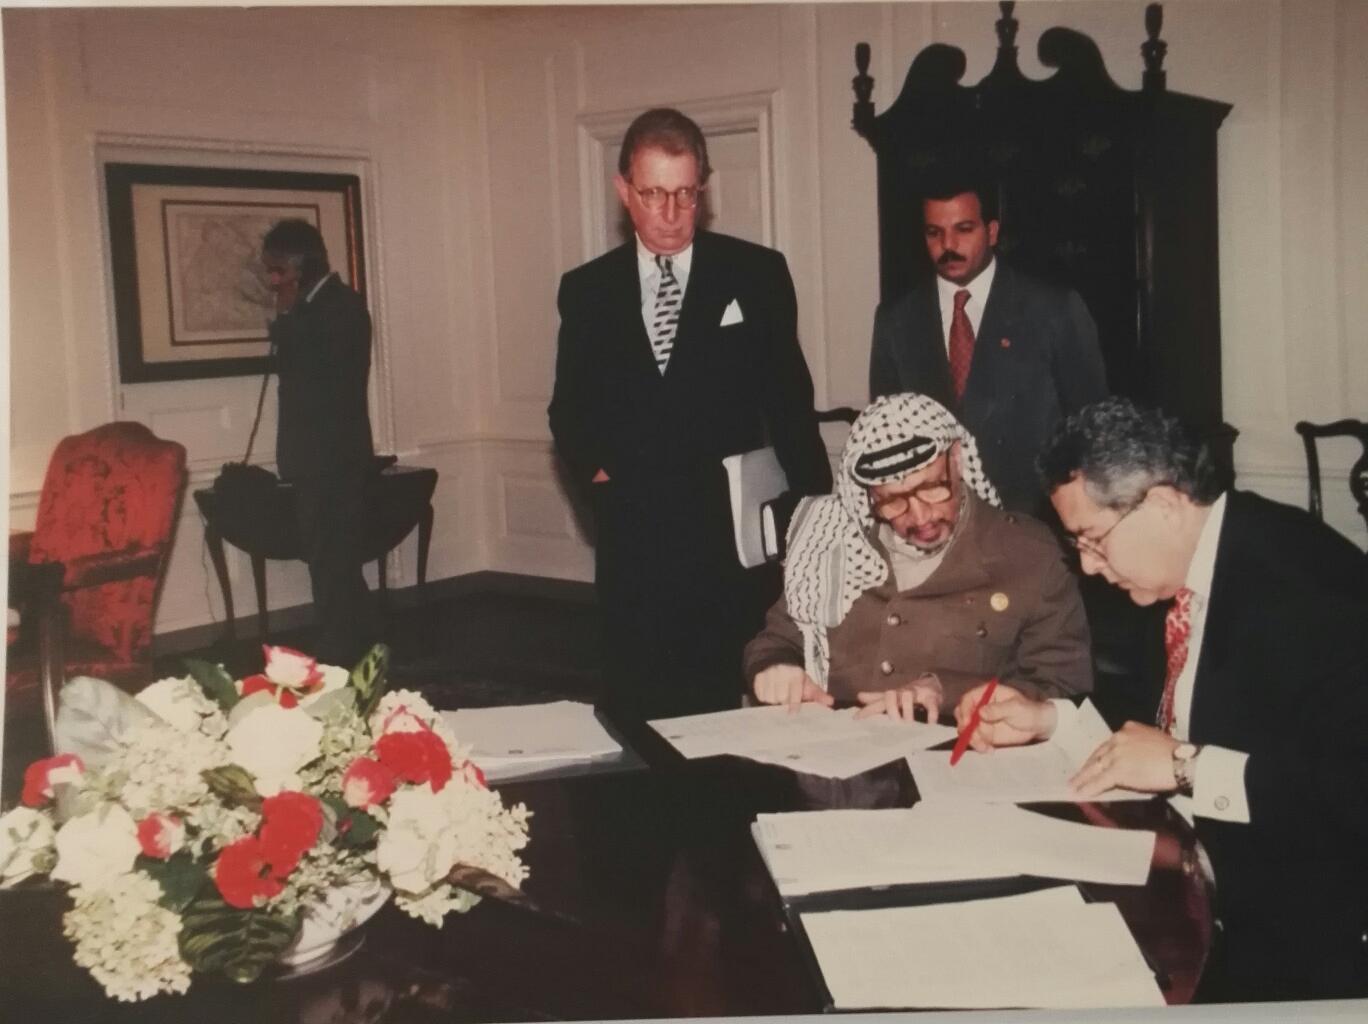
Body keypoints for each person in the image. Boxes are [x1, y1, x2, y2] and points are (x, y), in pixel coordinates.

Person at [954, 397, 1368, 1002]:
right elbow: (1159, 724)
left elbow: (1350, 788)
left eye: (1093, 540)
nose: (1089, 567)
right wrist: (1048, 721)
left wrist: (1187, 766)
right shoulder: (1185, 570)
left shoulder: (1307, 590)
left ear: (1165, 506)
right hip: (1201, 885)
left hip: (1306, 943)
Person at [548, 108, 832, 721]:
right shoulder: (588, 290)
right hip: (634, 543)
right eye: (654, 194)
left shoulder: (755, 274)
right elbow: (568, 410)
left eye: (685, 193)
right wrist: (602, 480)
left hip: (730, 549)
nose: (671, 213)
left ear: (703, 188)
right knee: (639, 712)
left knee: (734, 717)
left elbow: (790, 405)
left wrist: (815, 521)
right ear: (624, 190)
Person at [744, 393, 1092, 721]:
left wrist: (946, 690)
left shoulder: (1031, 555)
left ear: (956, 460)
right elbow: (776, 641)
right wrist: (775, 667)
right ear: (868, 496)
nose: (920, 516)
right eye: (892, 501)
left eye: (931, 488)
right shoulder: (830, 541)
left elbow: (1062, 688)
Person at [868, 180, 1107, 515]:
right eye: (934, 233)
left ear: (992, 232)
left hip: (1033, 523)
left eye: (963, 229)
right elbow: (887, 436)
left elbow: (1092, 429)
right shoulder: (896, 319)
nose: (948, 245)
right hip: (935, 523)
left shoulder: (1053, 309)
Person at [262, 219, 376, 668]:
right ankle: (358, 638)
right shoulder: (312, 308)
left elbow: (320, 379)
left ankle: (340, 648)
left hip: (334, 455)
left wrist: (289, 317)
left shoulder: (340, 308)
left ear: (300, 265)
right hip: (313, 457)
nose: (273, 280)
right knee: (327, 555)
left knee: (333, 557)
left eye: (278, 269)